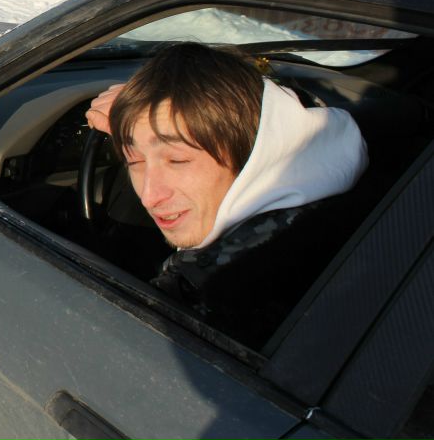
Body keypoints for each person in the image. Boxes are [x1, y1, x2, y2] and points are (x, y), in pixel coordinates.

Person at [85, 42, 368, 348]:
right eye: (133, 161)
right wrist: (144, 117)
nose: (149, 196)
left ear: (255, 153)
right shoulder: (337, 210)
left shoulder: (214, 302)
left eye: (177, 160)